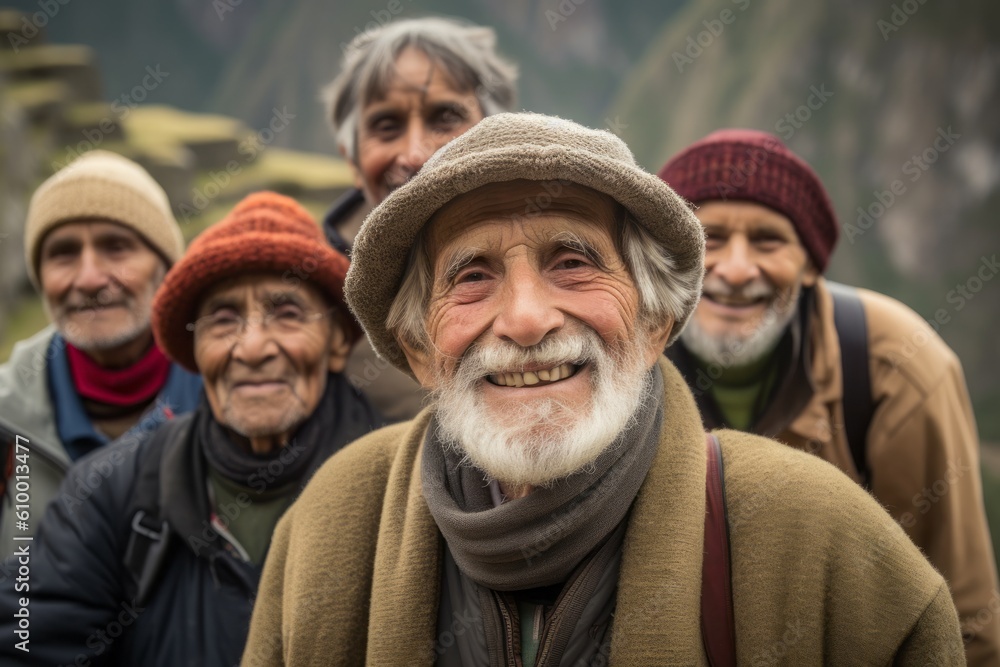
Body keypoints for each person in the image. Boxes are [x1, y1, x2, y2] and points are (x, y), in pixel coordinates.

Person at [242, 113, 965, 666]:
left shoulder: (823, 541)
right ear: (420, 349)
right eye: (471, 275)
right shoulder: (327, 531)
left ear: (653, 321)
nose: (525, 319)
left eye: (573, 260)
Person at [658, 128, 1000, 664]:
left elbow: (963, 613)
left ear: (812, 263)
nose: (736, 268)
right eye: (710, 238)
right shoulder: (623, 369)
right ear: (669, 259)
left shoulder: (897, 370)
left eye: (768, 241)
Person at [0, 192, 380, 666]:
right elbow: (29, 644)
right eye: (223, 319)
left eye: (286, 313)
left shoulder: (401, 488)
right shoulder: (111, 490)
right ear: (194, 349)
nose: (253, 347)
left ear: (339, 341)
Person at [0, 150, 201, 557]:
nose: (89, 278)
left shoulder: (232, 400)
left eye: (117, 247)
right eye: (63, 253)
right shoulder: (6, 420)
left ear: (165, 269)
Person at [320, 16, 518, 421]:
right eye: (386, 126)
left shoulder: (569, 264)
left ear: (498, 134)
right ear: (352, 161)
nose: (415, 154)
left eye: (445, 118)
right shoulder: (314, 303)